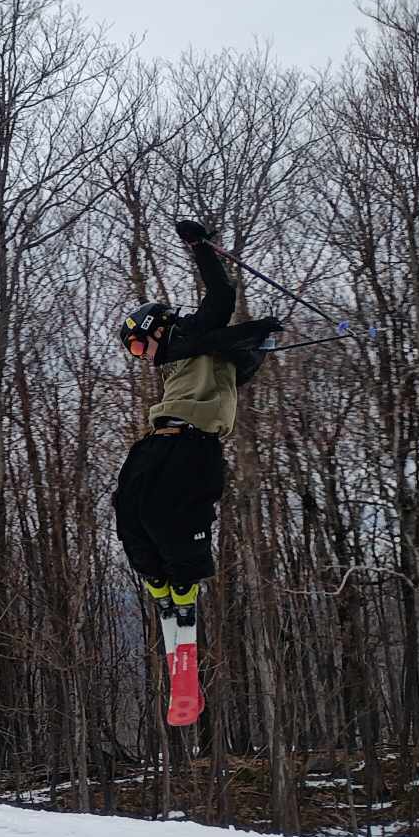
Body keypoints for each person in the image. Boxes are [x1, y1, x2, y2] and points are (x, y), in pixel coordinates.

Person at [113, 218, 281, 644]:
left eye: (137, 345)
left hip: (194, 443)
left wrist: (200, 246)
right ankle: (158, 582)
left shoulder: (193, 332)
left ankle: (184, 585)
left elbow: (222, 296)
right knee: (129, 505)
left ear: (154, 327)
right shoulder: (179, 355)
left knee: (171, 512)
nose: (139, 356)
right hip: (159, 438)